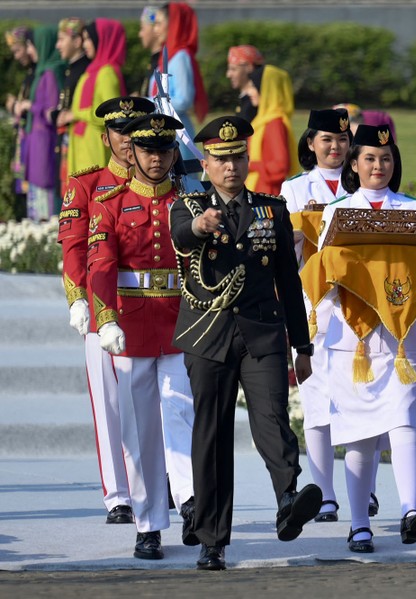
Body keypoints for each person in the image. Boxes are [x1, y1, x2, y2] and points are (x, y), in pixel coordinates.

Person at [170, 116, 322, 571]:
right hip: (208, 334)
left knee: (272, 415)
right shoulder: (189, 203)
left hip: (262, 333)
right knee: (211, 434)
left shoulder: (271, 210)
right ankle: (212, 540)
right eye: (220, 159)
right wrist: (200, 227)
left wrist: (303, 346)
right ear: (207, 163)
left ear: (248, 159)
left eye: (237, 157)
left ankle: (288, 499)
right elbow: (181, 236)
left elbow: (288, 283)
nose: (231, 166)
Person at [309, 124, 416, 553]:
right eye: (370, 158)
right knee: (360, 437)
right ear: (354, 164)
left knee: (404, 421)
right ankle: (359, 525)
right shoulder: (337, 212)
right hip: (348, 339)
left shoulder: (414, 207)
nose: (379, 166)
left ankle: (411, 510)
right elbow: (323, 275)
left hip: (400, 339)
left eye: (386, 159)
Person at [86, 113, 196, 561]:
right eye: (148, 150)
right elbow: (99, 265)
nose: (156, 158)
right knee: (139, 429)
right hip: (130, 328)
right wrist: (105, 318)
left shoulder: (190, 202)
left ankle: (190, 500)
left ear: (173, 153)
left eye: (164, 150)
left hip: (180, 324)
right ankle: (148, 525)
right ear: (133, 153)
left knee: (182, 411)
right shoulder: (110, 202)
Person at [281, 108, 383, 523]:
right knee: (317, 402)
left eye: (343, 140)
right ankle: (325, 494)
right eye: (327, 139)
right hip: (313, 308)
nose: (336, 147)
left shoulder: (365, 181)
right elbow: (283, 253)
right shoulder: (292, 189)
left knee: (366, 400)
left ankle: (368, 491)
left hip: (361, 306)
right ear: (310, 143)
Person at [57, 96, 154, 526]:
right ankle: (119, 495)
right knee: (110, 405)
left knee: (156, 407)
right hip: (106, 309)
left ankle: (158, 482)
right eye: (121, 132)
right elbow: (75, 247)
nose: (129, 140)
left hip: (155, 308)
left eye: (137, 132)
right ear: (106, 137)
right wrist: (77, 296)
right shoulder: (86, 184)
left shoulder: (161, 180)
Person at [60, 19, 126, 178]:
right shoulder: (91, 71)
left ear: (101, 40)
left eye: (88, 39)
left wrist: (76, 114)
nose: (84, 44)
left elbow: (114, 116)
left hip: (95, 152)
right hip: (81, 150)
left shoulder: (106, 73)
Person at [23, 26, 65, 220]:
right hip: (37, 142)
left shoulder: (50, 73)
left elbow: (51, 109)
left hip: (44, 143)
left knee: (44, 200)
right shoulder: (42, 72)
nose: (30, 50)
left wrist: (30, 106)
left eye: (31, 45)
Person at [150, 2, 208, 139]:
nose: (155, 30)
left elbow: (184, 100)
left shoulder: (180, 56)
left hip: (177, 135)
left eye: (158, 24)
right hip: (163, 131)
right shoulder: (167, 57)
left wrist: (148, 102)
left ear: (173, 23)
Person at [246, 64, 299, 195]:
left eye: (253, 86)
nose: (249, 92)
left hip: (267, 194)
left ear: (267, 90)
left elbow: (280, 167)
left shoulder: (274, 124)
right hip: (258, 187)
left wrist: (250, 165)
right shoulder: (261, 121)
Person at [52, 17, 89, 185]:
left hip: (82, 146)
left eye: (61, 40)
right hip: (68, 140)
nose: (57, 46)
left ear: (77, 41)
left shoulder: (86, 69)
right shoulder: (72, 69)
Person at [5, 26, 35, 220]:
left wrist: (17, 105)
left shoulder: (37, 75)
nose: (16, 57)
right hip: (23, 148)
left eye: (18, 50)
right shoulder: (29, 75)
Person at [226, 44, 264, 122]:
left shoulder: (253, 104)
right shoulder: (246, 100)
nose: (228, 75)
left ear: (248, 68)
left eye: (233, 69)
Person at [136, 6, 163, 97]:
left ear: (155, 29)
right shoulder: (154, 61)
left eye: (142, 28)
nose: (140, 34)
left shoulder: (165, 61)